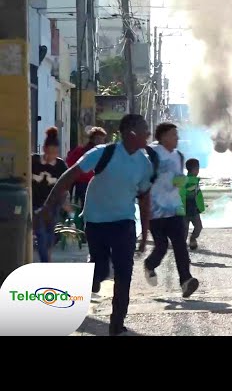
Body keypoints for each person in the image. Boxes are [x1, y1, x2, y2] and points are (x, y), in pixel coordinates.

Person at [36, 114, 153, 336]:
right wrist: (48, 207)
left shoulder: (144, 163)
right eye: (145, 130)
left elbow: (145, 198)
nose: (148, 135)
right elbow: (69, 177)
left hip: (124, 223)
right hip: (96, 221)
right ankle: (91, 279)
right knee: (99, 270)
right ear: (131, 133)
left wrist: (144, 233)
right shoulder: (103, 153)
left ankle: (116, 324)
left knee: (124, 273)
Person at [142, 123, 199, 298]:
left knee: (180, 245)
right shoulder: (151, 153)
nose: (177, 138)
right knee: (161, 246)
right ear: (164, 136)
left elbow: (177, 178)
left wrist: (180, 181)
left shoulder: (178, 156)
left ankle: (186, 281)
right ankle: (150, 265)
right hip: (155, 211)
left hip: (174, 209)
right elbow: (144, 179)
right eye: (174, 134)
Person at [31, 127, 71, 262]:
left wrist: (65, 202)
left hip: (53, 206)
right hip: (36, 205)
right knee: (41, 235)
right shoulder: (33, 161)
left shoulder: (61, 166)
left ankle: (47, 259)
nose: (50, 156)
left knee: (49, 236)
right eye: (48, 152)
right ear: (44, 149)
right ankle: (45, 263)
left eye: (54, 153)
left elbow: (65, 186)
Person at [66, 126, 107, 207]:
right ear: (93, 139)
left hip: (94, 183)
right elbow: (70, 162)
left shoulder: (103, 152)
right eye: (98, 138)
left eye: (102, 139)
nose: (101, 141)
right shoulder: (82, 151)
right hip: (81, 183)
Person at [180, 158, 205, 250]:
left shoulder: (194, 180)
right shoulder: (188, 180)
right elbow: (185, 193)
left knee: (198, 227)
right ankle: (185, 248)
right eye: (197, 169)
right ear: (193, 169)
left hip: (194, 210)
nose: (198, 171)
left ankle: (192, 239)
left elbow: (198, 196)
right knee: (189, 230)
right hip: (186, 211)